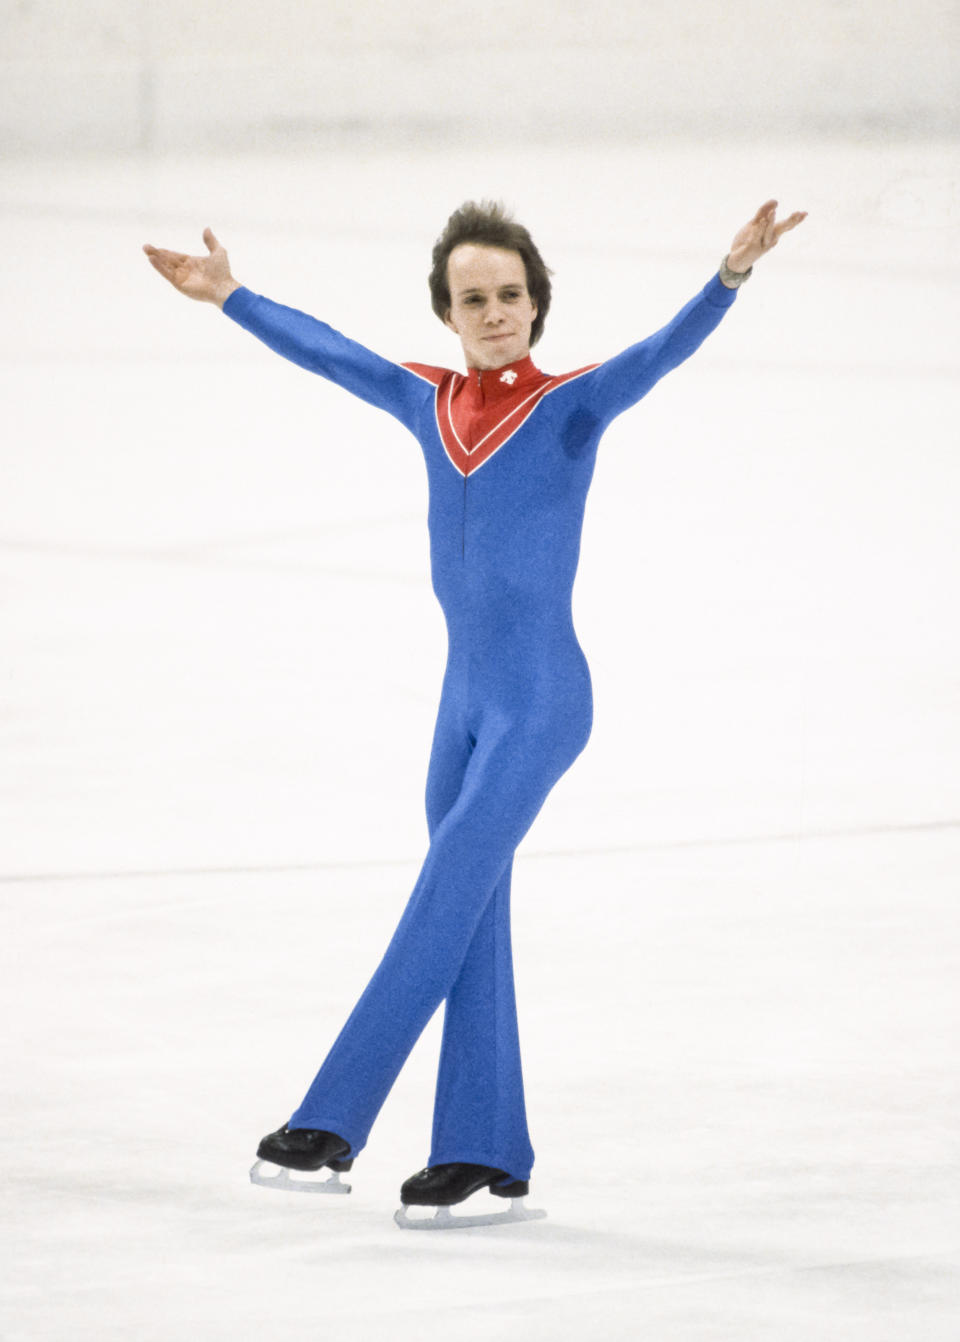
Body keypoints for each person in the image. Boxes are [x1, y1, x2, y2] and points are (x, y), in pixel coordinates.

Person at [143, 197, 806, 1228]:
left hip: (541, 702)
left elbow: (658, 353)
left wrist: (725, 280)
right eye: (473, 298)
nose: (495, 312)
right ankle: (486, 1150)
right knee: (474, 918)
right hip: (460, 707)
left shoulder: (572, 404)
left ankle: (330, 1121)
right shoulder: (430, 401)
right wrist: (231, 296)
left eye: (510, 294)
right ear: (448, 312)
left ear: (537, 304)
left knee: (441, 898)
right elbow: (334, 353)